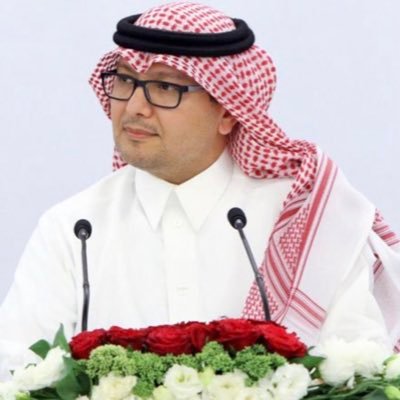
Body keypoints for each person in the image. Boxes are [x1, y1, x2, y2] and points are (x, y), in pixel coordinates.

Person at [1, 1, 399, 379]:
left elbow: (358, 368)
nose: (135, 106)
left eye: (164, 86)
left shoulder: (304, 220)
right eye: (125, 80)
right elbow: (16, 372)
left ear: (227, 110)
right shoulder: (73, 229)